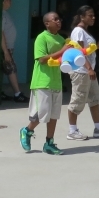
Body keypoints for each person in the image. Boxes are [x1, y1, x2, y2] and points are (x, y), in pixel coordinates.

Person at [20, 11, 69, 155]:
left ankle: (49, 143)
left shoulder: (61, 39)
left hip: (56, 82)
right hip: (42, 82)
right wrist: (62, 50)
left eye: (59, 19)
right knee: (41, 114)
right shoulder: (41, 38)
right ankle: (27, 130)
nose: (58, 21)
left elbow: (64, 59)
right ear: (47, 23)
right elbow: (41, 59)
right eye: (55, 19)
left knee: (54, 115)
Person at [65, 5, 99, 141]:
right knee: (77, 101)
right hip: (81, 72)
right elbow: (78, 53)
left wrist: (96, 47)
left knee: (94, 99)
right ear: (82, 17)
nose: (93, 17)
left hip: (87, 71)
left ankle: (98, 128)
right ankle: (72, 130)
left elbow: (85, 49)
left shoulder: (84, 31)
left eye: (93, 15)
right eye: (90, 15)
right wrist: (89, 68)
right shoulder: (78, 31)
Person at [0, 0, 26, 103]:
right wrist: (5, 52)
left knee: (3, 69)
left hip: (8, 48)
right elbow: (0, 33)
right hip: (5, 48)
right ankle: (17, 94)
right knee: (11, 69)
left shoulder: (5, 13)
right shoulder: (1, 14)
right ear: (3, 1)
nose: (11, 2)